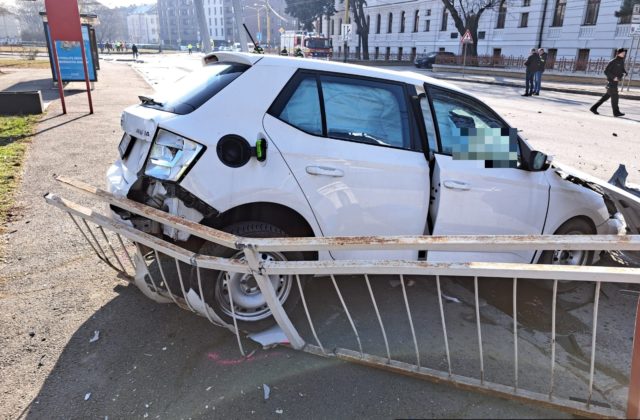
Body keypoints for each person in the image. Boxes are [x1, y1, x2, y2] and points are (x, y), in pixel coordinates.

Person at [590, 48, 628, 117]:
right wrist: (614, 77)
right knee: (615, 97)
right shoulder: (613, 61)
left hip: (615, 83)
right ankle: (616, 112)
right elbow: (606, 71)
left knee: (605, 97)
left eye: (624, 53)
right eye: (622, 53)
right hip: (611, 83)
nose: (623, 55)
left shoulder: (621, 61)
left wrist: (625, 73)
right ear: (618, 53)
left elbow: (622, 69)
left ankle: (593, 108)